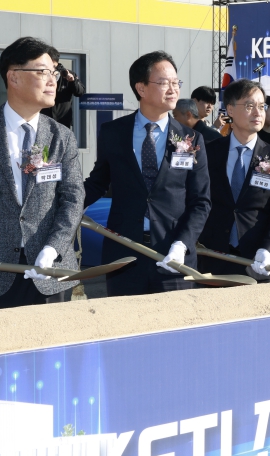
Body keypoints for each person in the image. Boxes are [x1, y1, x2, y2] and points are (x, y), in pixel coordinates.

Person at [0, 37, 84, 310]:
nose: (53, 80)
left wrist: (54, 247)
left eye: (55, 72)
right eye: (43, 71)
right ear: (13, 77)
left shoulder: (62, 137)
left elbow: (73, 198)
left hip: (50, 272)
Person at [84, 51, 211, 296]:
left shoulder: (192, 139)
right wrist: (66, 207)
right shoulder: (113, 132)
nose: (173, 89)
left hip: (173, 255)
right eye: (164, 83)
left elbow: (201, 201)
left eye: (176, 82)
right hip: (123, 254)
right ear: (141, 88)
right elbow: (97, 183)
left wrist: (182, 244)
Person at [197, 79, 270, 279]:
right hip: (214, 256)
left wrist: (267, 249)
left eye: (261, 106)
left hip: (259, 260)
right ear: (230, 109)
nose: (258, 113)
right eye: (250, 106)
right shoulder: (209, 152)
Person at [40, 47, 85, 129]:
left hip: (63, 120)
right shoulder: (41, 73)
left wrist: (72, 81)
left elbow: (80, 92)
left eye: (53, 66)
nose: (51, 69)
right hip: (43, 119)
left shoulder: (67, 74)